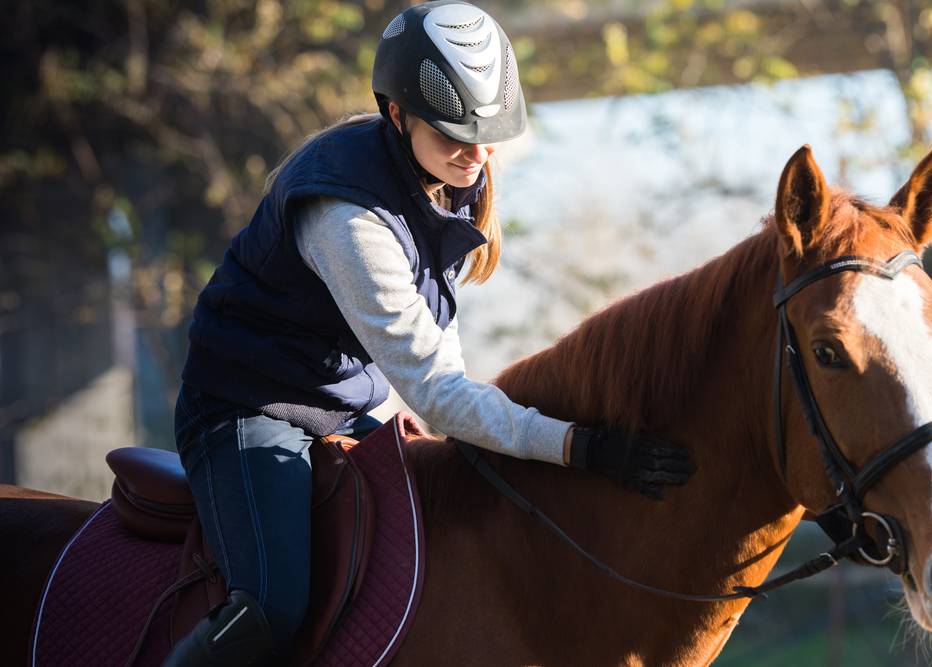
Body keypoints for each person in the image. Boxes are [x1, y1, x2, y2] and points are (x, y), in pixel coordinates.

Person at [165, 2, 694, 665]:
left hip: (348, 406)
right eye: (456, 137)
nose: (477, 156)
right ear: (397, 114)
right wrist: (579, 446)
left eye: (488, 135)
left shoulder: (443, 173)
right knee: (275, 606)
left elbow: (436, 355)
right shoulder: (346, 217)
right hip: (247, 408)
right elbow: (439, 392)